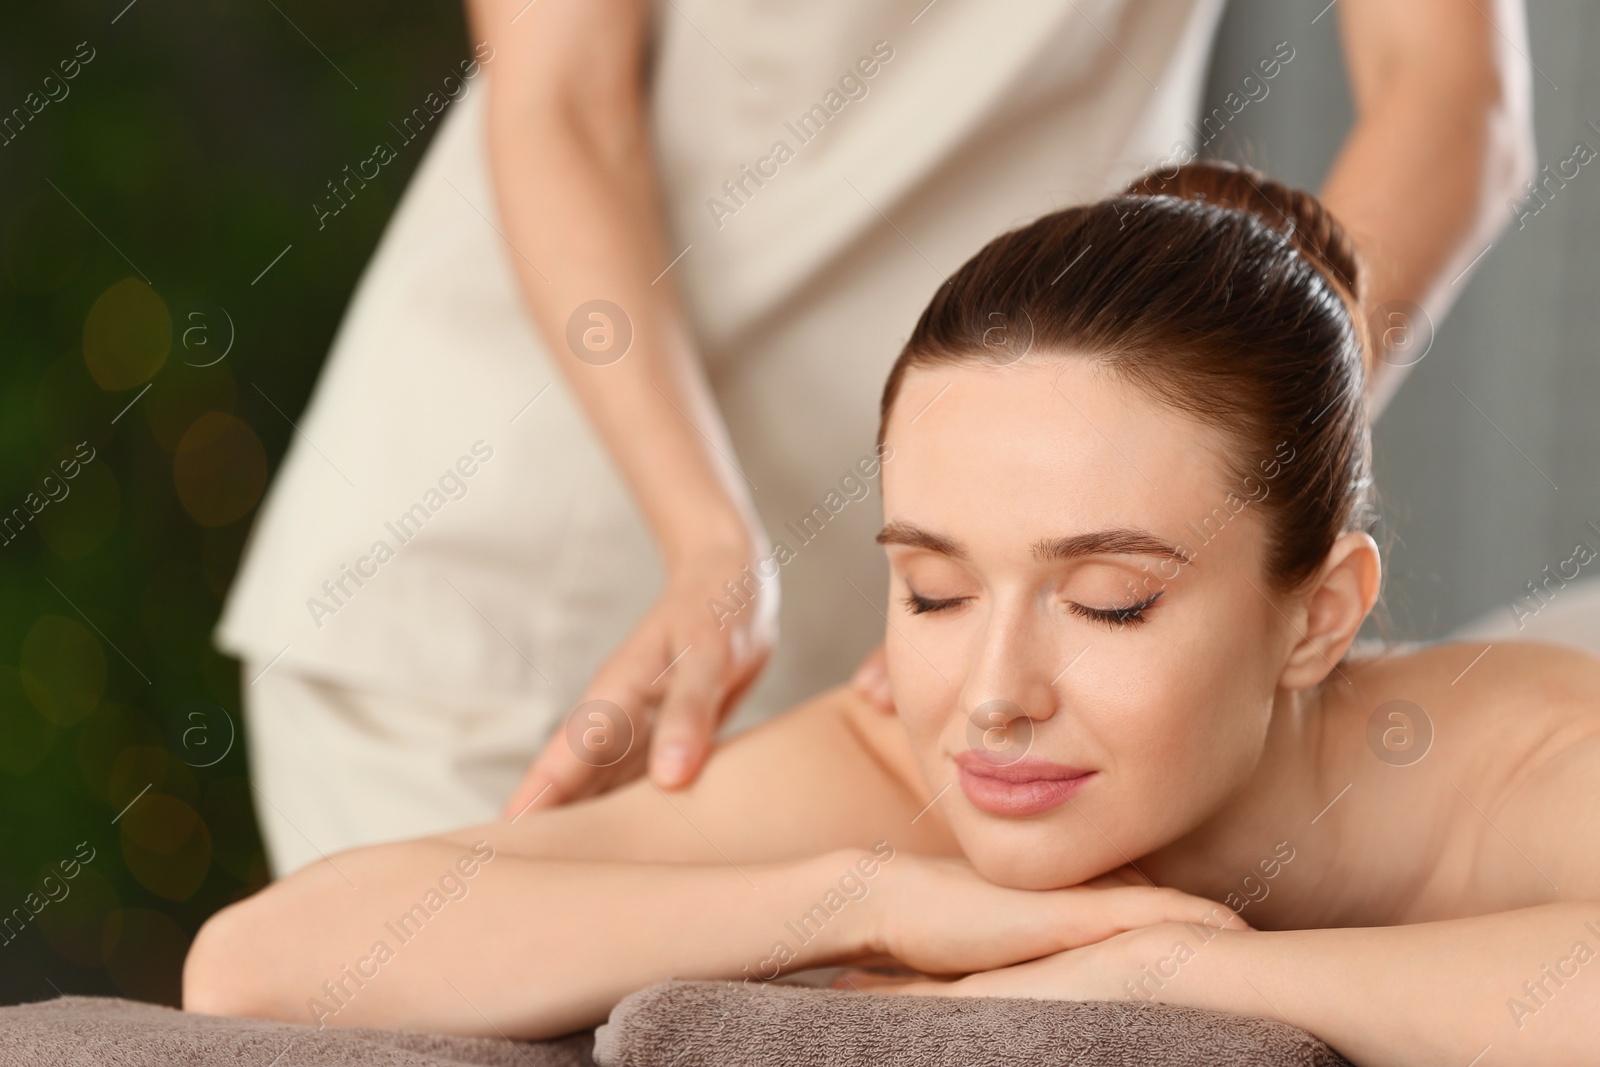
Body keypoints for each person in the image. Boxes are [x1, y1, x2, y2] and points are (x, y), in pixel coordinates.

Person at [185, 163, 1598, 1064]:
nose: (992, 691)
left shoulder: (1517, 760)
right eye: (932, 587)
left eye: (1107, 604)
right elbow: (263, 964)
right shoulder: (897, 770)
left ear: (1319, 616)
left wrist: (1168, 972)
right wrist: (861, 898)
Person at [214, 0, 1535, 877]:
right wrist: (705, 541)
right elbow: (560, 99)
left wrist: (1228, 463)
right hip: (533, 561)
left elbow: (1454, 102)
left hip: (965, 636)